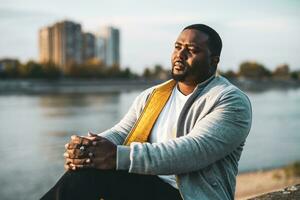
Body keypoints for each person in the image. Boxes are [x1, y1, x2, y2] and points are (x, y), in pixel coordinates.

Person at [41, 24, 252, 200]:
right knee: (87, 171)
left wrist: (116, 156)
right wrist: (87, 149)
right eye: (178, 47)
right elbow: (123, 131)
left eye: (192, 50)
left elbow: (193, 150)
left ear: (214, 60)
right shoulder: (154, 95)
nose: (180, 54)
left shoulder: (231, 100)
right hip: (149, 186)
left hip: (191, 196)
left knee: (95, 173)